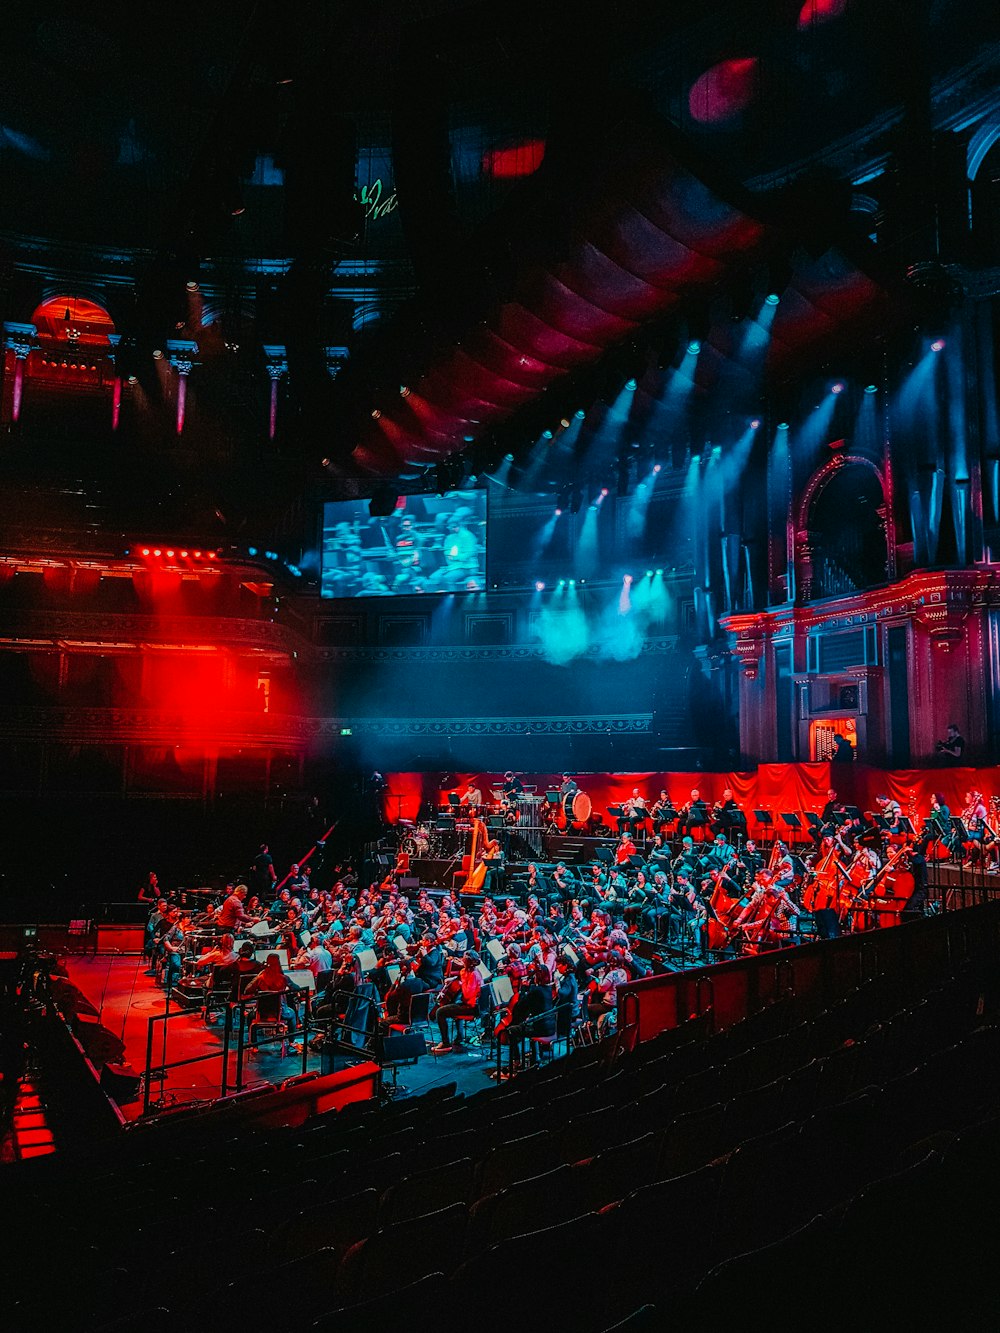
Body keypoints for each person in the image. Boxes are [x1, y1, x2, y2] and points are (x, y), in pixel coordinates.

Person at [244, 954, 302, 1052]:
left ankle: (254, 1045)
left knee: (250, 1016)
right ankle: (291, 1042)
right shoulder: (283, 978)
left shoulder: (261, 978)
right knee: (292, 1013)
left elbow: (246, 990)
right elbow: (297, 988)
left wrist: (258, 976)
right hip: (280, 1013)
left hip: (261, 1013)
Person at [431, 952, 483, 1052]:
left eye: (463, 959)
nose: (461, 960)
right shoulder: (472, 971)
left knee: (440, 1012)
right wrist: (454, 978)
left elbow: (468, 994)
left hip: (473, 1007)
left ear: (468, 962)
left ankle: (445, 1043)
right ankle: (460, 1037)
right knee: (455, 1004)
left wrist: (461, 981)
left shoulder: (473, 974)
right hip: (470, 1004)